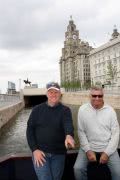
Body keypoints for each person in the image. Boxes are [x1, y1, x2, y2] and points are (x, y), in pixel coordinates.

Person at [26, 82, 75, 180]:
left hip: (59, 154)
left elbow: (68, 124)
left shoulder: (65, 110)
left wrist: (69, 135)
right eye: (51, 92)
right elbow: (29, 130)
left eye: (56, 92)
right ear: (46, 94)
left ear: (60, 94)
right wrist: (34, 150)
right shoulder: (36, 110)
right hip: (41, 153)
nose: (53, 94)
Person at [74, 86, 120, 180]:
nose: (97, 98)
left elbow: (115, 134)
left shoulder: (110, 111)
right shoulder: (82, 110)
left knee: (118, 172)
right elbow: (81, 131)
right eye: (94, 96)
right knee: (77, 169)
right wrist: (88, 150)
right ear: (89, 96)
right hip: (89, 146)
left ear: (103, 96)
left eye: (100, 96)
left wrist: (107, 153)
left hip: (108, 147)